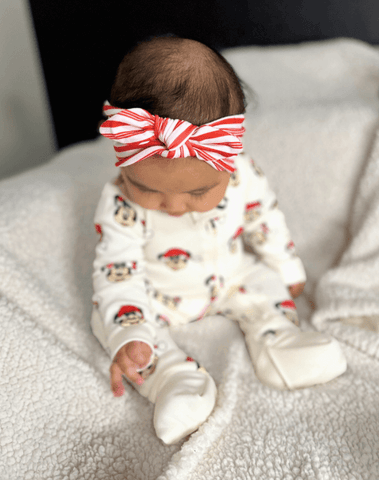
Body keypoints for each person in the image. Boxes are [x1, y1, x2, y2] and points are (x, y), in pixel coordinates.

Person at [91, 35, 347, 444]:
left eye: (197, 193)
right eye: (149, 189)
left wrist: (285, 267)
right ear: (124, 159)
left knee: (264, 284)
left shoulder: (243, 174)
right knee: (112, 321)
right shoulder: (120, 202)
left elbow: (265, 220)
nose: (173, 207)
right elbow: (116, 272)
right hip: (158, 295)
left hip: (230, 275)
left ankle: (278, 339)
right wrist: (131, 332)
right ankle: (170, 377)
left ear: (228, 159)